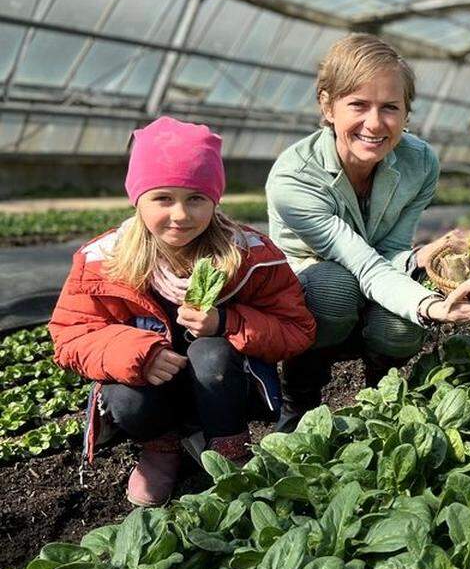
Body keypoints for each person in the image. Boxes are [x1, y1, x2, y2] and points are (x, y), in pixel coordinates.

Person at [266, 34, 470, 432]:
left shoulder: (419, 162)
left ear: (406, 113)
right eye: (358, 104)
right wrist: (436, 307)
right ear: (327, 105)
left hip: (375, 275)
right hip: (314, 291)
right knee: (333, 287)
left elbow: (389, 248)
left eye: (390, 108)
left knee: (403, 323)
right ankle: (300, 400)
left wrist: (416, 259)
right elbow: (360, 263)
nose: (375, 123)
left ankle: (380, 394)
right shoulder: (294, 179)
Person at [49, 117, 316, 507]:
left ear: (214, 200)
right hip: (154, 393)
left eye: (196, 199)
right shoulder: (101, 261)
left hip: (226, 389)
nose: (180, 215)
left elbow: (297, 328)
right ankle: (162, 448)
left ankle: (228, 447)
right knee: (126, 396)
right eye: (163, 199)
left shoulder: (251, 256)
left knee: (213, 354)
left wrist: (226, 322)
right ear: (137, 199)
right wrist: (138, 353)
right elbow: (70, 334)